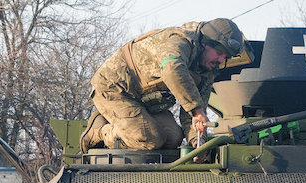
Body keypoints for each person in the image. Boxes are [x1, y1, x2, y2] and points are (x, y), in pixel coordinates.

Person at [81, 18, 248, 153]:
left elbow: (195, 113)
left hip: (145, 101)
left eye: (225, 57)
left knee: (173, 138)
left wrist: (197, 141)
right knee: (149, 139)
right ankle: (98, 132)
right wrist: (197, 110)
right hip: (114, 88)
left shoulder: (207, 70)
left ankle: (122, 123)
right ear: (205, 43)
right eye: (219, 53)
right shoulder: (180, 40)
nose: (220, 60)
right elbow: (172, 69)